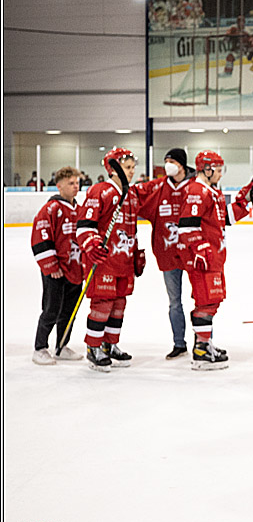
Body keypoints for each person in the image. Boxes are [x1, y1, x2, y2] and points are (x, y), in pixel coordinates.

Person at [177, 151, 253, 370]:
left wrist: (244, 201)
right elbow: (186, 226)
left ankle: (204, 343)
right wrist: (200, 249)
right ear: (206, 168)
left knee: (212, 301)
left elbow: (224, 219)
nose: (221, 174)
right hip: (203, 258)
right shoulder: (196, 190)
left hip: (214, 256)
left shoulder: (211, 191)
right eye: (218, 169)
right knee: (206, 302)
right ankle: (201, 351)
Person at [75, 148, 145, 372]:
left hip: (123, 260)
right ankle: (93, 347)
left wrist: (136, 252)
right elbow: (84, 226)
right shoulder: (100, 191)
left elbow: (130, 229)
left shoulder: (131, 194)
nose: (132, 172)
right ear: (112, 168)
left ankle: (110, 344)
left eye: (133, 168)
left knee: (119, 304)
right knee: (102, 303)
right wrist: (91, 244)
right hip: (104, 260)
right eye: (127, 168)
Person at [135, 148, 194, 359]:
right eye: (166, 160)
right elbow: (134, 195)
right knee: (174, 302)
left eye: (171, 161)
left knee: (202, 300)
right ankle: (179, 343)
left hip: (194, 253)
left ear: (182, 164)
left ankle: (205, 342)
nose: (167, 164)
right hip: (168, 254)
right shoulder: (158, 187)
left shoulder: (196, 187)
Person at [31, 166, 85, 364]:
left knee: (69, 311)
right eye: (71, 183)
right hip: (56, 271)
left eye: (77, 183)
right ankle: (40, 347)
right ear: (59, 186)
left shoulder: (79, 210)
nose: (75, 186)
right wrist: (51, 266)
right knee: (51, 309)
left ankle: (61, 346)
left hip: (75, 269)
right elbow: (40, 238)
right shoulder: (51, 209)